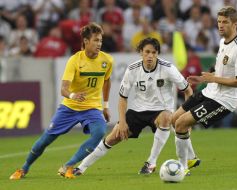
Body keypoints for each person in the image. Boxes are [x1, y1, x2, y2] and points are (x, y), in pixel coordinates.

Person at [66, 37, 199, 178]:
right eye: (147, 52)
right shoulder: (132, 69)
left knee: (166, 117)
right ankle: (81, 167)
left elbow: (187, 90)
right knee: (112, 138)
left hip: (161, 110)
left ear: (157, 54)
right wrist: (122, 122)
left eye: (154, 52)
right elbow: (123, 98)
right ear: (141, 52)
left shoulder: (168, 68)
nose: (150, 56)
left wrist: (185, 115)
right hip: (138, 111)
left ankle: (151, 163)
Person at [9, 22, 114, 180]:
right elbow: (63, 89)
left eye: (100, 40)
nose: (99, 44)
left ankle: (68, 166)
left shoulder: (107, 61)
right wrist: (73, 95)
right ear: (86, 41)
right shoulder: (75, 60)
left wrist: (105, 106)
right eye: (95, 40)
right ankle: (24, 168)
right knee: (44, 141)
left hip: (92, 108)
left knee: (99, 132)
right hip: (69, 108)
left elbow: (107, 81)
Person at [173, 6, 237, 173]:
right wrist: (202, 79)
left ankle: (182, 167)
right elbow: (221, 71)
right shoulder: (223, 42)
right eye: (219, 22)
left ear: (235, 24)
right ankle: (192, 158)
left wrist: (213, 79)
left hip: (223, 100)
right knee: (175, 119)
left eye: (225, 22)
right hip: (210, 91)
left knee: (180, 124)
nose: (220, 25)